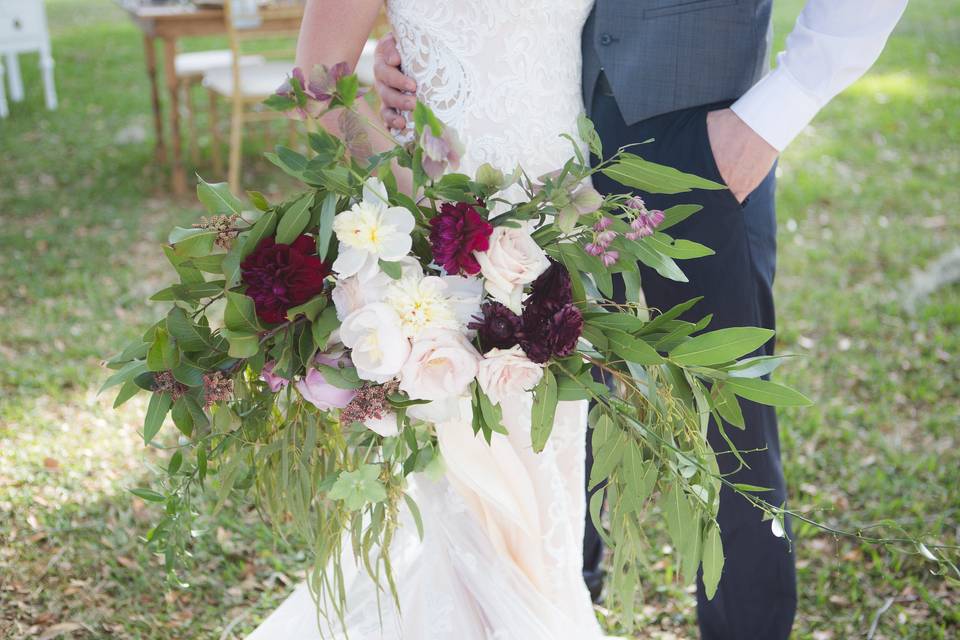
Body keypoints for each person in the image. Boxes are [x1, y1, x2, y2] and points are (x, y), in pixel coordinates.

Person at [372, 1, 908, 639]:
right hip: (554, 147)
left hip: (707, 140)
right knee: (564, 393)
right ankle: (567, 607)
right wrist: (420, 46)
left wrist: (770, 118)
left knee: (730, 428)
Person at [249, 0, 606, 636]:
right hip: (446, 246)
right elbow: (317, 80)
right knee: (475, 496)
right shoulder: (437, 224)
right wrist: (428, 211)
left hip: (558, 237)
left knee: (545, 496)